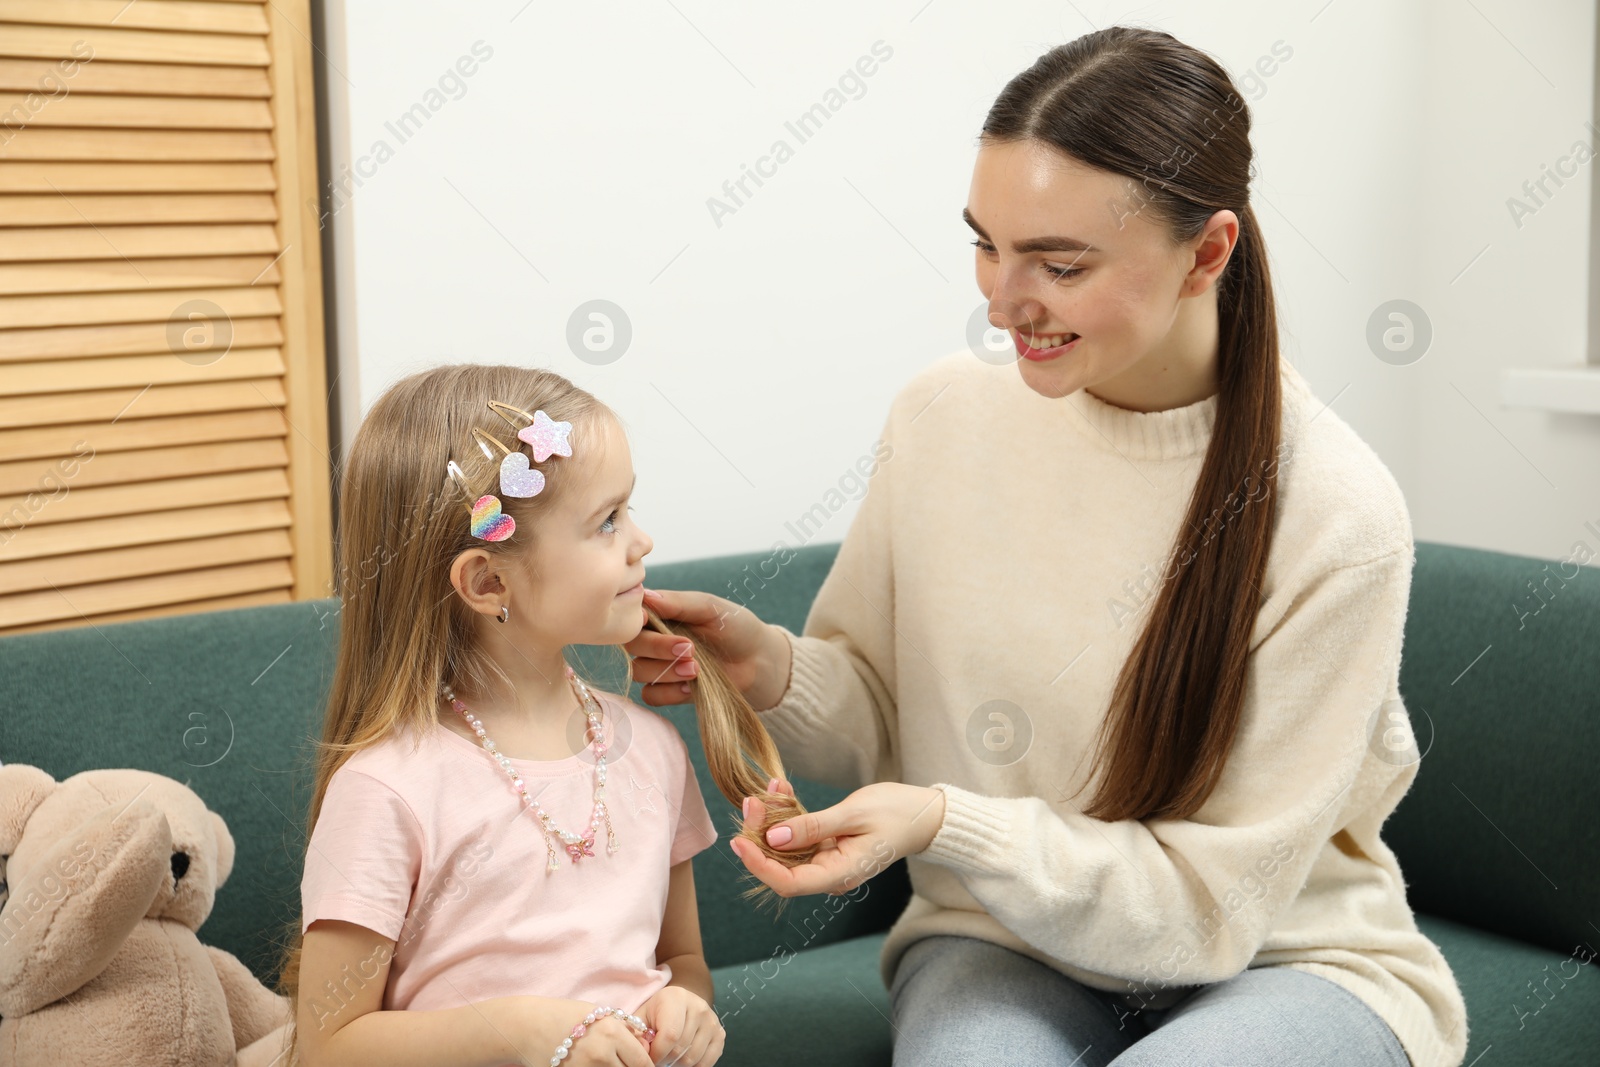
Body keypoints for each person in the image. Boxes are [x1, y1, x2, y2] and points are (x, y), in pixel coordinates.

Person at [625, 25, 1467, 1067]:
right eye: (985, 242)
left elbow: (1207, 913)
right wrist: (772, 670)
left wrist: (947, 821)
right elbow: (883, 725)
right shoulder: (941, 418)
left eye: (1058, 264)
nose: (1002, 297)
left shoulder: (1336, 514)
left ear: (1207, 252)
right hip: (1002, 942)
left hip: (1285, 959)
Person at [279, 365, 726, 1067]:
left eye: (628, 510)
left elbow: (682, 959)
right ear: (488, 583)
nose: (640, 540)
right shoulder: (388, 789)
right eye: (607, 520)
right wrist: (517, 1029)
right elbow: (329, 1046)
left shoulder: (656, 749)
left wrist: (684, 1003)